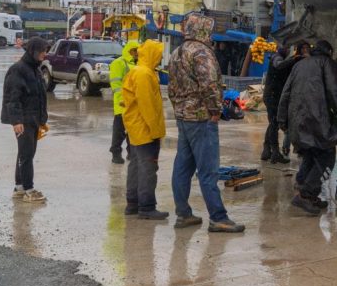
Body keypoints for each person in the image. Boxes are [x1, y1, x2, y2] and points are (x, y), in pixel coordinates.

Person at [167, 13, 245, 233]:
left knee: (182, 167)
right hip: (201, 118)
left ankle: (183, 214)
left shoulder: (176, 53)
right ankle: (218, 217)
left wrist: (180, 109)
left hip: (184, 117)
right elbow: (210, 84)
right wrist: (214, 110)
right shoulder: (202, 53)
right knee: (208, 170)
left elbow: (172, 88)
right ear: (203, 30)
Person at [278, 39, 337, 216]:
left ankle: (306, 192)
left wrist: (282, 119)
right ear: (329, 52)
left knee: (310, 154)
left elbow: (286, 91)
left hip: (298, 121)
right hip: (316, 121)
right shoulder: (325, 63)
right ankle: (305, 194)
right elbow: (334, 92)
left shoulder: (299, 65)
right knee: (327, 158)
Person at [121, 40, 168, 219]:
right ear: (151, 54)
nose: (161, 57)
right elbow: (147, 105)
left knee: (136, 165)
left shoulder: (138, 71)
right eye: (159, 53)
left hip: (135, 127)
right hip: (145, 129)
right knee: (148, 167)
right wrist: (156, 132)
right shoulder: (144, 74)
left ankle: (132, 203)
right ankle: (147, 207)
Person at [1, 38, 50, 203]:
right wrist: (16, 121)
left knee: (25, 153)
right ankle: (29, 189)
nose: (45, 53)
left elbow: (40, 96)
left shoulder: (35, 70)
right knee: (27, 154)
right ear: (33, 51)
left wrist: (42, 118)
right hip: (24, 119)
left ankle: (19, 187)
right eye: (43, 50)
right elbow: (12, 98)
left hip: (34, 118)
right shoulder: (18, 70)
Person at [261, 43, 299, 164]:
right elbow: (279, 65)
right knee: (274, 123)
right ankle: (275, 152)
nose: (287, 49)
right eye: (285, 47)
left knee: (273, 123)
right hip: (272, 96)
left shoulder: (284, 59)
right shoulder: (276, 57)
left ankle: (267, 150)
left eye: (288, 47)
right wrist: (295, 59)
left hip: (275, 96)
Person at [108, 40, 139, 164]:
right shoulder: (118, 63)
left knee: (132, 131)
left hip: (134, 104)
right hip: (122, 104)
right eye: (134, 50)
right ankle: (115, 153)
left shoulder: (138, 64)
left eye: (138, 50)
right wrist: (123, 101)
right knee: (119, 131)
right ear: (129, 50)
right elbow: (116, 84)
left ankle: (131, 153)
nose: (137, 53)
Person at [279, 40, 311, 158]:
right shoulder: (295, 60)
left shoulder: (311, 61)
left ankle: (300, 148)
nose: (305, 51)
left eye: (307, 48)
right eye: (303, 48)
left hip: (306, 96)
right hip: (294, 95)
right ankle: (286, 147)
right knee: (291, 124)